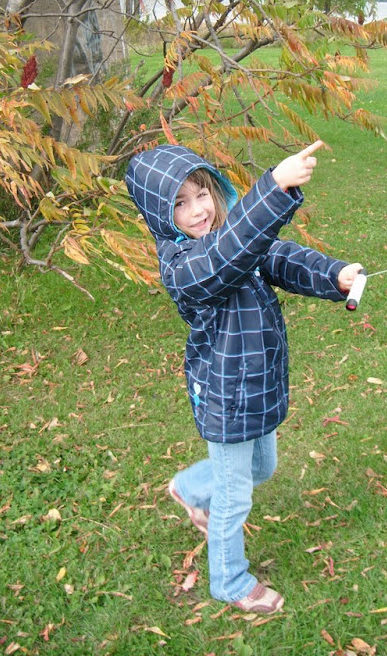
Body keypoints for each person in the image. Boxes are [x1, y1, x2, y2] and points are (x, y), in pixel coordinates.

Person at [126, 140, 362, 614]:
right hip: (227, 392)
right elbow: (227, 254)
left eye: (201, 194)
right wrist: (273, 188)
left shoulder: (233, 238)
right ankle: (230, 581)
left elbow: (274, 255)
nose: (198, 210)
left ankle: (189, 488)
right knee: (234, 498)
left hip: (258, 382)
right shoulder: (184, 267)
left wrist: (333, 274)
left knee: (262, 469)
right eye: (179, 203)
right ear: (159, 213)